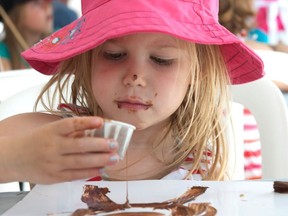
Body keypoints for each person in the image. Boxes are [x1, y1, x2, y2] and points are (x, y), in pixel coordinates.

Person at [0, 0, 264, 184]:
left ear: (199, 72)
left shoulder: (215, 149)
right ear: (86, 59)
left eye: (161, 59)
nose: (134, 78)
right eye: (114, 55)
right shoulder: (59, 136)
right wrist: (20, 156)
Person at [0, 0, 53, 71]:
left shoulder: (59, 41)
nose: (47, 8)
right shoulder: (2, 53)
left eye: (48, 2)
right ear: (17, 14)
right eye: (36, 3)